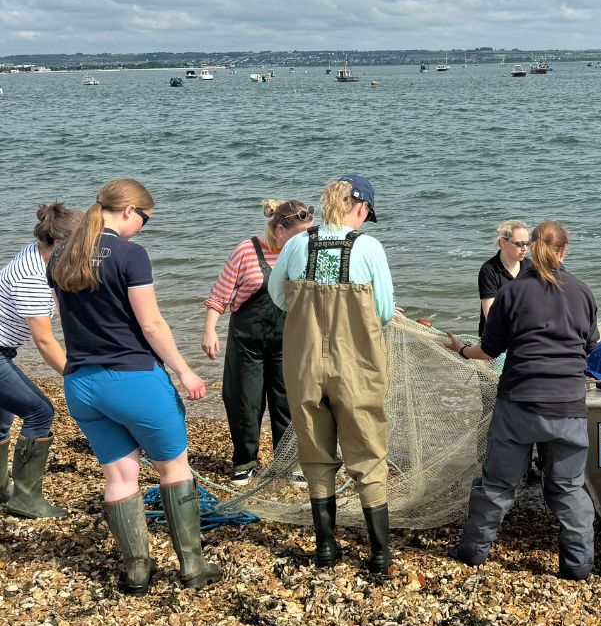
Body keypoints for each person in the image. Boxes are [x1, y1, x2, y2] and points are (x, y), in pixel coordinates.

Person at [48, 178, 219, 594]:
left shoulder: (60, 254)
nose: (142, 226)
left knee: (120, 475)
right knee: (173, 468)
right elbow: (151, 324)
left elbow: (70, 319)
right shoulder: (130, 255)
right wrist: (184, 371)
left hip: (81, 384)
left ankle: (137, 572)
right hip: (133, 379)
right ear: (128, 211)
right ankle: (192, 567)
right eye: (144, 218)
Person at [445, 220, 600, 580]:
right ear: (564, 250)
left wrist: (462, 350)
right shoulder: (583, 291)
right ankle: (578, 566)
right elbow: (591, 345)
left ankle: (473, 552)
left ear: (531, 248)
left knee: (498, 484)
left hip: (519, 401)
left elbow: (490, 349)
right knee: (568, 488)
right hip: (568, 405)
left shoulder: (513, 293)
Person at [268, 174, 395, 575]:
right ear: (360, 207)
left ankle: (325, 548)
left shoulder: (296, 243)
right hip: (356, 364)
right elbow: (386, 309)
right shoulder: (369, 247)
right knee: (368, 452)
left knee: (315, 453)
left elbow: (276, 295)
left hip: (304, 363)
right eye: (365, 213)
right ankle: (378, 554)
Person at [202, 199, 314, 484]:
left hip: (287, 341)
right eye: (300, 233)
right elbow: (220, 295)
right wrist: (209, 330)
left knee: (287, 402)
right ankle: (245, 461)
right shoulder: (246, 251)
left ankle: (289, 464)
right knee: (245, 401)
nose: (306, 239)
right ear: (279, 230)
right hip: (247, 341)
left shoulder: (304, 253)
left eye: (309, 233)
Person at [0, 203, 82, 519]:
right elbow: (45, 341)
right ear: (61, 243)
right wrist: (75, 376)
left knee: (3, 421)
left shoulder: (37, 255)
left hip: (4, 350)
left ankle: (4, 489)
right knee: (40, 410)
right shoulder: (32, 276)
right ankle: (26, 499)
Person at [477, 220, 532, 337]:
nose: (525, 248)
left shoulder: (531, 267)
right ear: (503, 242)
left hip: (524, 334)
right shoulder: (489, 270)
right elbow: (490, 316)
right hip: (495, 338)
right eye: (519, 244)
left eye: (527, 243)